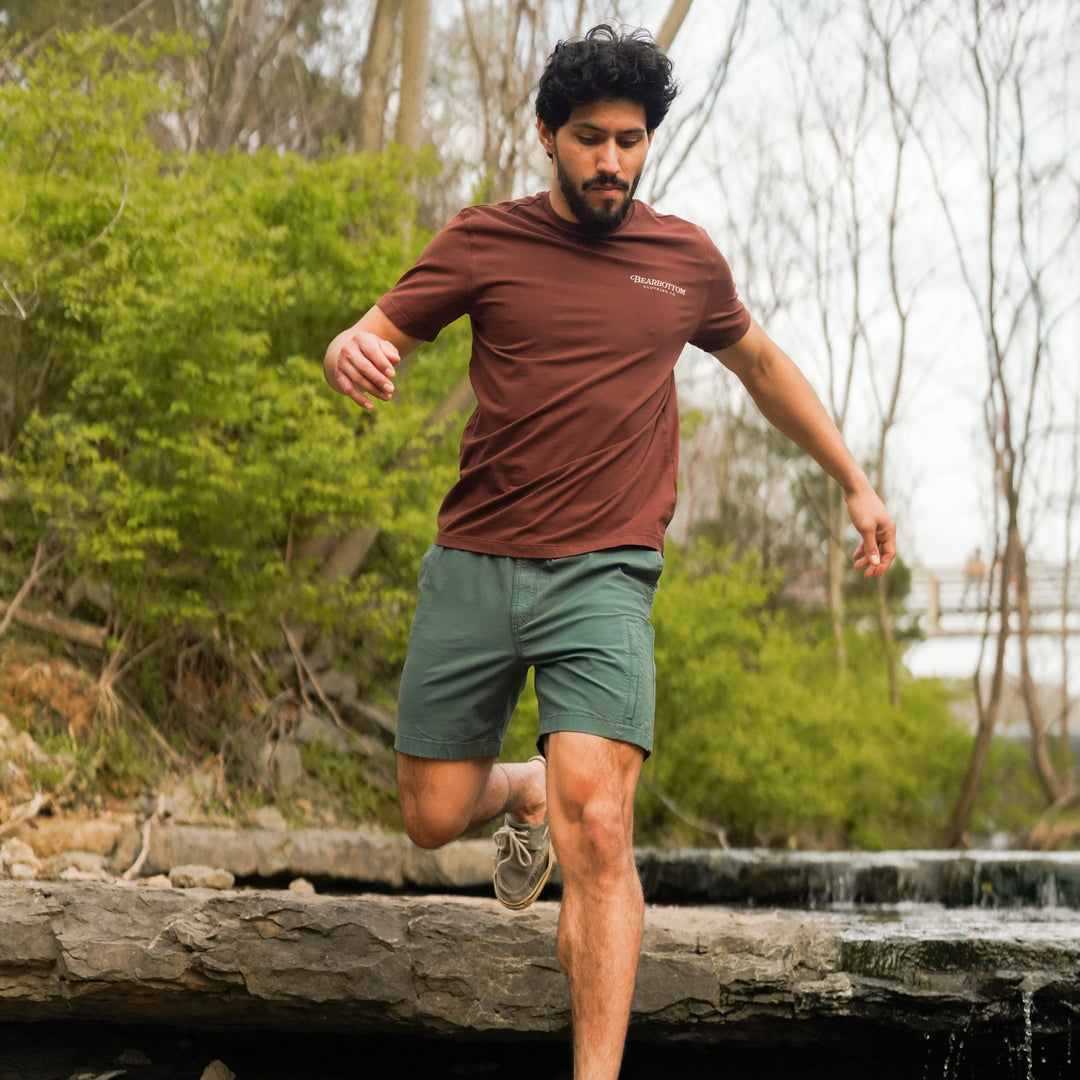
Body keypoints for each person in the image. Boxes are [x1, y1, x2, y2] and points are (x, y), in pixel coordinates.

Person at [323, 23, 896, 1080]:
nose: (612, 163)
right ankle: (517, 788)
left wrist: (853, 481)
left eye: (631, 142)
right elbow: (368, 335)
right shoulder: (483, 241)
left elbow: (763, 368)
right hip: (476, 560)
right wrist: (346, 349)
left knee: (599, 815)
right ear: (546, 134)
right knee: (430, 815)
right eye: (590, 139)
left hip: (604, 571)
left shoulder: (683, 261)